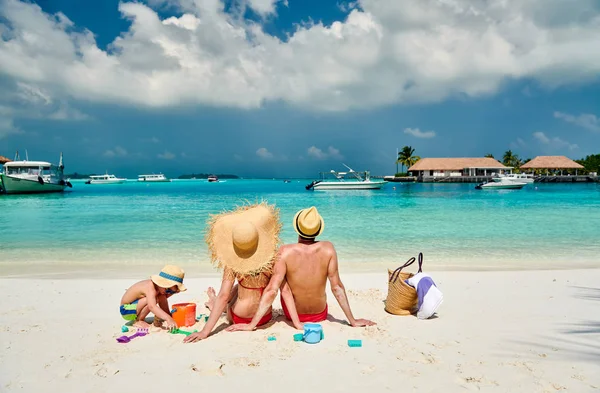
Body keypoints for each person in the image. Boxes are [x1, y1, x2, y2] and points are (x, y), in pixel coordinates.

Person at [227, 206, 375, 332]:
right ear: (318, 230)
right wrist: (352, 320)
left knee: (270, 283)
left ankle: (216, 303)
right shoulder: (329, 249)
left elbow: (272, 290)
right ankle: (214, 302)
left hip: (293, 316)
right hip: (320, 314)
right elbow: (337, 288)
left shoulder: (285, 252)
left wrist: (251, 325)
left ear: (297, 228)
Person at [184, 202, 294, 343]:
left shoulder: (232, 264)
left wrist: (204, 332)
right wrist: (297, 324)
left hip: (239, 317)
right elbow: (285, 291)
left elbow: (224, 296)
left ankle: (212, 303)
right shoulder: (272, 259)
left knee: (229, 293)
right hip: (263, 316)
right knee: (238, 288)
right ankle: (213, 300)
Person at [119, 264, 186, 330]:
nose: (168, 293)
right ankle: (139, 321)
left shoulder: (160, 289)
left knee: (161, 297)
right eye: (168, 290)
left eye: (171, 292)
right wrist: (168, 318)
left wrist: (169, 316)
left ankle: (166, 314)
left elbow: (163, 300)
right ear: (161, 283)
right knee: (154, 299)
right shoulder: (150, 287)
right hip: (126, 310)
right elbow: (152, 306)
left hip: (135, 307)